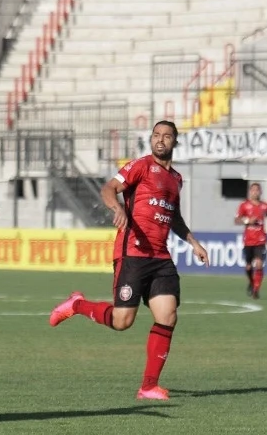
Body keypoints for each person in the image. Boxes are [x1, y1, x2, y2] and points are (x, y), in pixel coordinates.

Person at [48, 120, 209, 400]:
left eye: (166, 136)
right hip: (133, 253)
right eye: (156, 135)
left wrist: (193, 242)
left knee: (168, 316)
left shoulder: (176, 179)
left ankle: (148, 386)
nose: (160, 140)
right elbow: (108, 188)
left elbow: (174, 217)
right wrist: (118, 208)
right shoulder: (141, 166)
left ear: (175, 142)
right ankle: (77, 305)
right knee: (122, 321)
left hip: (160, 257)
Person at [235, 181, 267, 299]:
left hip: (260, 240)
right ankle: (252, 282)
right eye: (253, 190)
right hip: (248, 240)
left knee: (259, 264)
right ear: (250, 192)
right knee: (248, 267)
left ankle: (256, 290)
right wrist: (248, 221)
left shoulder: (265, 206)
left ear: (260, 192)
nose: (255, 192)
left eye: (257, 190)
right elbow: (237, 220)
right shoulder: (244, 205)